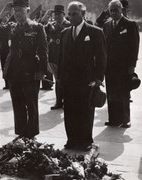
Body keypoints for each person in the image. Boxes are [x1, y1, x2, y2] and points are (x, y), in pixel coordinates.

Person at [0, 0, 48, 139]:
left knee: (31, 105)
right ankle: (21, 133)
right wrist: (2, 14)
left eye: (21, 11)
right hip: (14, 72)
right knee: (18, 104)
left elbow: (43, 51)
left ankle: (31, 134)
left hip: (31, 73)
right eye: (15, 11)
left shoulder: (37, 28)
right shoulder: (10, 27)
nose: (18, 14)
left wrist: (41, 71)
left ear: (28, 11)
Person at [58, 1, 107, 151]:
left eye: (75, 14)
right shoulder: (65, 33)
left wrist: (98, 79)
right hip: (69, 81)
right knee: (70, 111)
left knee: (85, 112)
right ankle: (71, 139)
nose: (71, 17)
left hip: (87, 81)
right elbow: (61, 58)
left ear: (83, 14)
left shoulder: (95, 32)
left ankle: (85, 140)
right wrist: (60, 79)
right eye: (69, 14)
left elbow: (102, 57)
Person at [103, 0, 140, 128]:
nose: (113, 13)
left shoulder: (130, 24)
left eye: (116, 10)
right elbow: (104, 46)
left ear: (121, 10)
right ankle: (113, 119)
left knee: (123, 93)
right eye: (111, 10)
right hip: (109, 66)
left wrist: (131, 67)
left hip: (124, 67)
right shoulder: (107, 24)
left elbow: (134, 47)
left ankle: (125, 119)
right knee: (111, 93)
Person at [44, 5, 71, 110]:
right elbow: (40, 26)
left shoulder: (68, 24)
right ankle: (59, 101)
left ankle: (66, 101)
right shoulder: (50, 25)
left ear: (63, 15)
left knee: (65, 80)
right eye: (55, 14)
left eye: (59, 14)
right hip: (54, 57)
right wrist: (46, 16)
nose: (56, 16)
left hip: (65, 57)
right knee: (58, 79)